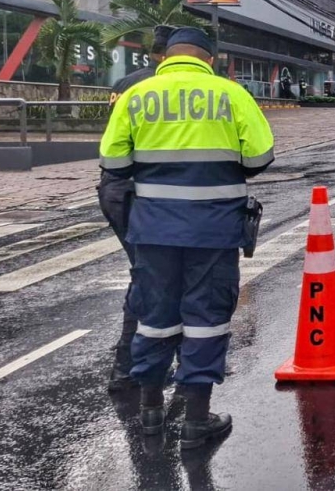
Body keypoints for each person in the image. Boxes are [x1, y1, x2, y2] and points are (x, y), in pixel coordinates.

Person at [99, 27, 275, 450]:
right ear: (209, 59)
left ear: (165, 57)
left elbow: (113, 163)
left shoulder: (135, 96)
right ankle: (196, 419)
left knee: (154, 316)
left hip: (153, 230)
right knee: (206, 318)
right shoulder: (232, 95)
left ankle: (150, 411)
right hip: (213, 230)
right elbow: (259, 158)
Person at [99, 24, 175, 393]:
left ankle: (137, 363)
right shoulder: (166, 86)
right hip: (147, 191)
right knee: (152, 276)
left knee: (148, 272)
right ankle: (128, 366)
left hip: (115, 188)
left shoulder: (124, 83)